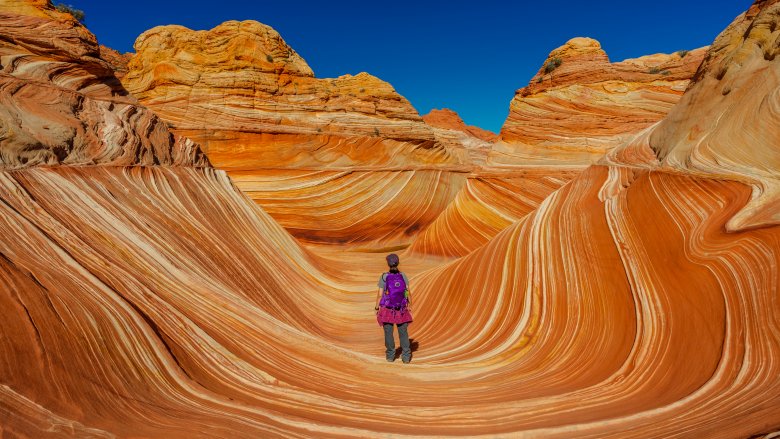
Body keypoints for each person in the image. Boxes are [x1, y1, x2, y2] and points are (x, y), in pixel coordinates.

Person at [375, 253, 413, 363]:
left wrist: (377, 308)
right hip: (401, 308)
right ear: (398, 263)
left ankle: (390, 356)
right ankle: (406, 357)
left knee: (388, 332)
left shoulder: (384, 277)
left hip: (387, 309)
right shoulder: (403, 276)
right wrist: (409, 304)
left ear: (388, 264)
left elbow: (379, 294)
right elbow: (407, 291)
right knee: (403, 333)